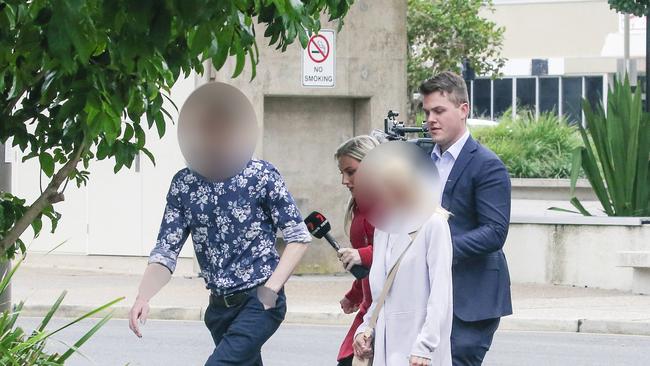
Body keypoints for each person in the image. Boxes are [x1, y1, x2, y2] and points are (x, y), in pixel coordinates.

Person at [128, 82, 312, 366]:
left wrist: (271, 290)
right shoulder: (184, 184)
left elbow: (298, 236)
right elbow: (167, 248)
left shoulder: (260, 176)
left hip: (259, 300)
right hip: (218, 309)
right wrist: (143, 296)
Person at [419, 71, 512, 365]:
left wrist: (439, 249)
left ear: (463, 110)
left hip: (471, 300)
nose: (431, 119)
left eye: (439, 111)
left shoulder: (488, 165)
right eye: (427, 112)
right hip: (426, 294)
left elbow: (495, 232)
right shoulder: (418, 160)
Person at [353, 142, 454, 366]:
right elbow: (381, 295)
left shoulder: (434, 225)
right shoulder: (383, 228)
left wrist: (425, 346)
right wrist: (365, 329)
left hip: (418, 353)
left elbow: (440, 294)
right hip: (385, 350)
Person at [333, 135, 380, 366]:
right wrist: (354, 295)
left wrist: (362, 255)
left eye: (351, 172)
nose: (344, 180)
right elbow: (369, 268)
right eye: (342, 173)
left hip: (389, 309)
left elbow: (401, 251)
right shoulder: (360, 206)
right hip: (370, 308)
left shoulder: (390, 204)